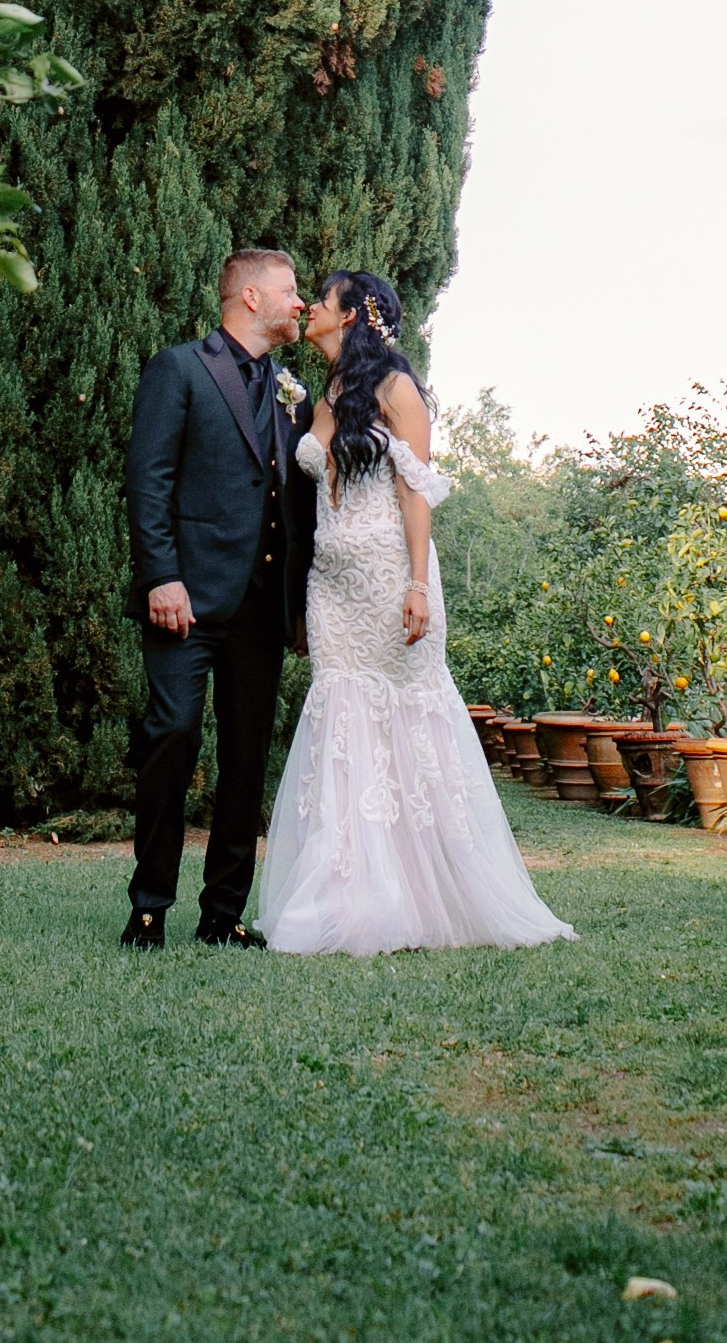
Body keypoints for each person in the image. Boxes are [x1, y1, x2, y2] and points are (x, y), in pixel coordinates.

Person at [256, 269, 574, 956]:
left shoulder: (398, 390)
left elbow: (416, 493)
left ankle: (425, 892)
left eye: (323, 298)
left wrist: (418, 585)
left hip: (388, 578)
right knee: (342, 720)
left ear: (349, 317)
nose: (310, 305)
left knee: (404, 720)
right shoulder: (327, 393)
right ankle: (346, 891)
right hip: (332, 587)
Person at [122, 247, 315, 948]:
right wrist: (159, 576)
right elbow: (148, 480)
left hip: (261, 609)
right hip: (186, 597)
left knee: (245, 759)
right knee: (171, 736)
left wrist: (299, 607)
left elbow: (297, 506)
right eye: (290, 291)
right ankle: (149, 908)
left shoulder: (292, 389)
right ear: (251, 298)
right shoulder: (179, 368)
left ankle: (223, 916)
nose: (301, 303)